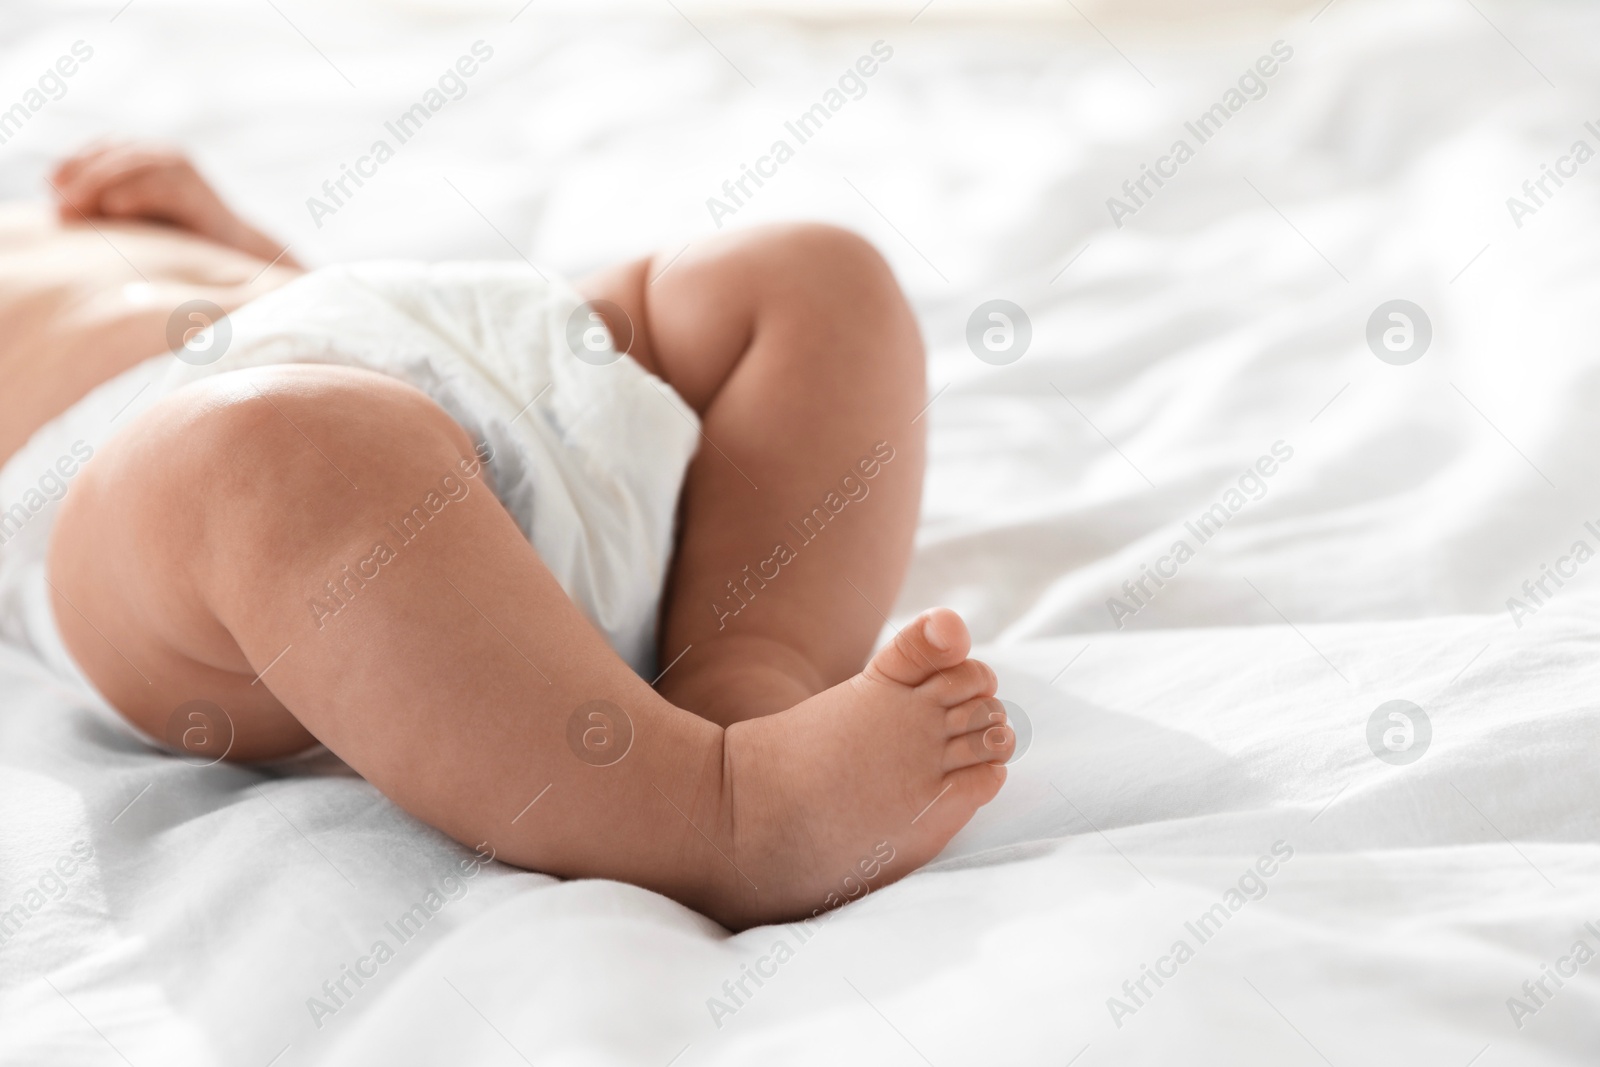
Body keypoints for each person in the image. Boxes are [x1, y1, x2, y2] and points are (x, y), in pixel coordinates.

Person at [1, 142, 1013, 930]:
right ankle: (726, 816)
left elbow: (291, 311)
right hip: (122, 474)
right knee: (268, 455)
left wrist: (226, 232)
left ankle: (747, 671)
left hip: (429, 347)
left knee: (810, 274)